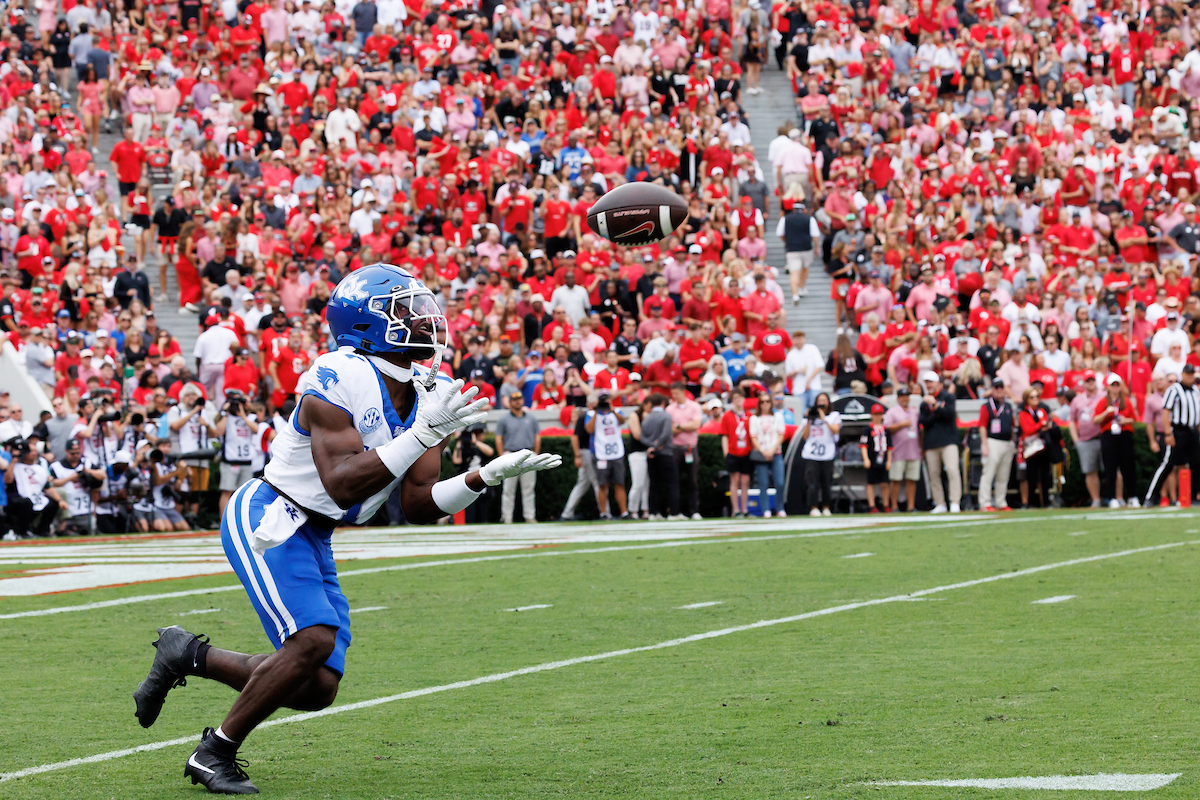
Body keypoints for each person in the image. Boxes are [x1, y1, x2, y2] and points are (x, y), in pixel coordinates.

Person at [130, 265, 558, 794]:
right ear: (366, 323)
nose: (425, 319)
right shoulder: (339, 374)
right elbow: (341, 484)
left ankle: (186, 654)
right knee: (311, 640)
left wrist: (482, 477)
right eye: (406, 310)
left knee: (317, 687)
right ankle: (213, 752)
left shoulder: (430, 388)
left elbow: (418, 503)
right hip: (271, 514)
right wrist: (422, 433)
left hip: (317, 532)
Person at [1144, 363, 1200, 507]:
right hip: (1179, 431)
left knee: (1196, 463)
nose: (1190, 377)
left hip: (1192, 431)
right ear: (1183, 374)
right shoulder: (1174, 389)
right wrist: (1168, 433)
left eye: (1192, 374)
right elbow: (1166, 411)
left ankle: (1193, 497)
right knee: (1168, 464)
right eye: (1188, 374)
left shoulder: (1195, 390)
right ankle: (1151, 496)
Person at [494, 389, 547, 524]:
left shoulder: (531, 418)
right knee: (508, 489)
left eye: (519, 399)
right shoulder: (504, 419)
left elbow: (537, 437)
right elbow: (498, 438)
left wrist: (536, 453)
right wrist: (502, 456)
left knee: (529, 488)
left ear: (523, 400)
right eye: (515, 400)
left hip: (528, 453)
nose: (518, 402)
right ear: (510, 402)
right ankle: (507, 517)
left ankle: (530, 516)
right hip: (510, 454)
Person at [919, 372, 962, 514]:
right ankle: (939, 503)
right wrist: (936, 410)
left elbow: (949, 414)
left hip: (948, 440)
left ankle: (955, 501)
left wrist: (935, 406)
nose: (929, 385)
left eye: (931, 382)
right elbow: (924, 422)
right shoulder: (924, 403)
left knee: (952, 470)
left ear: (938, 383)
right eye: (926, 382)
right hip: (931, 441)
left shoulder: (948, 397)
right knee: (933, 473)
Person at [1094, 375, 1139, 509]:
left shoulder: (1126, 401)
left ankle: (1132, 496)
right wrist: (1106, 413)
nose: (1115, 388)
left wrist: (1125, 420)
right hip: (1109, 435)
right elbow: (1095, 420)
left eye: (1117, 385)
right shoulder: (1103, 402)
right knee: (1110, 468)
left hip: (1124, 434)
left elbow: (1134, 419)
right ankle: (1112, 497)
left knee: (1128, 467)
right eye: (1112, 385)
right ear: (1108, 387)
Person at [585, 392, 630, 520]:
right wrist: (596, 411)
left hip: (616, 452)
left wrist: (612, 410)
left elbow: (622, 421)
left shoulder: (617, 411)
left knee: (619, 483)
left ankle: (624, 512)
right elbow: (589, 429)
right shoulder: (591, 414)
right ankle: (603, 513)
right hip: (601, 453)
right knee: (602, 484)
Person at [215, 391, 261, 515]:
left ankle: (242, 519)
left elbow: (256, 429)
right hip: (230, 460)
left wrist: (243, 415)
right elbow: (218, 431)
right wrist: (225, 411)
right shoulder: (226, 417)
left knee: (245, 493)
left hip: (246, 460)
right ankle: (223, 521)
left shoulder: (251, 417)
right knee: (227, 491)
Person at [5, 439, 60, 538]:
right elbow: (8, 480)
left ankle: (42, 531)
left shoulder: (39, 469)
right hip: (17, 499)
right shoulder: (14, 466)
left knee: (53, 503)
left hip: (36, 497)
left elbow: (47, 488)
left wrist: (60, 500)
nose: (34, 453)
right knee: (26, 503)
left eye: (35, 451)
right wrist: (14, 460)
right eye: (31, 451)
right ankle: (23, 531)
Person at [977, 377, 1016, 512]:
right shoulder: (987, 406)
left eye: (1001, 387)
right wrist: (985, 444)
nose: (999, 390)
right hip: (992, 441)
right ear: (992, 390)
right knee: (989, 473)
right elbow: (982, 426)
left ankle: (1001, 501)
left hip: (1007, 442)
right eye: (996, 387)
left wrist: (1012, 442)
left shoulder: (1008, 406)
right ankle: (985, 502)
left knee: (1003, 475)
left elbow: (1012, 425)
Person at [640, 394, 681, 521]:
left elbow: (642, 437)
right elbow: (666, 433)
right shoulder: (666, 416)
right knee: (672, 483)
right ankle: (673, 512)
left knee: (654, 484)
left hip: (651, 454)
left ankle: (653, 512)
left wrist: (651, 446)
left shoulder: (647, 418)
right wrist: (656, 445)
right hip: (665, 453)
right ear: (663, 403)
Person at [1067, 370, 1104, 508]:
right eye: (1088, 381)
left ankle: (1114, 498)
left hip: (1103, 437)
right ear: (1084, 383)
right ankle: (1096, 500)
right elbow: (1071, 420)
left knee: (1112, 468)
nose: (1090, 383)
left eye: (1092, 380)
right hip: (1085, 439)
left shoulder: (1104, 396)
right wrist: (1076, 439)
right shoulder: (1077, 400)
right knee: (1090, 470)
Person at [800, 392, 840, 516]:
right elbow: (804, 436)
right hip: (812, 453)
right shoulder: (811, 417)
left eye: (824, 400)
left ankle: (826, 507)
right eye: (819, 400)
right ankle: (813, 507)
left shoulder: (833, 416)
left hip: (827, 453)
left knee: (826, 482)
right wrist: (809, 419)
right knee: (812, 482)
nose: (822, 403)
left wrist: (824, 419)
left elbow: (835, 430)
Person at [667, 382, 703, 520]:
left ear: (683, 392)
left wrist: (679, 426)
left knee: (692, 480)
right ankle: (675, 511)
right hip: (675, 448)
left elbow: (696, 424)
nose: (674, 396)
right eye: (673, 393)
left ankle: (694, 510)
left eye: (676, 393)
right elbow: (670, 429)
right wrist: (686, 426)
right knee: (674, 480)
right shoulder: (670, 409)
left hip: (690, 447)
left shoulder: (694, 406)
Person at [749, 393, 787, 518]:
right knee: (763, 483)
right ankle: (765, 509)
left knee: (780, 482)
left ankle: (780, 508)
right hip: (761, 454)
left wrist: (772, 449)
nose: (765, 404)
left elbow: (781, 435)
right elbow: (753, 437)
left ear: (771, 403)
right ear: (759, 404)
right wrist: (763, 451)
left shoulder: (778, 416)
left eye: (767, 401)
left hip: (776, 452)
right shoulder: (754, 418)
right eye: (762, 402)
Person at [559, 400, 599, 521]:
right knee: (597, 482)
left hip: (588, 452)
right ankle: (605, 512)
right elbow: (575, 437)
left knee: (582, 484)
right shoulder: (584, 417)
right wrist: (578, 455)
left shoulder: (591, 416)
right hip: (586, 452)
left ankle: (567, 513)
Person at [885, 387, 921, 512]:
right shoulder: (892, 412)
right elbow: (887, 428)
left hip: (913, 451)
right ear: (898, 398)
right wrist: (901, 424)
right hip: (898, 451)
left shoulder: (914, 412)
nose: (905, 398)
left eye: (907, 396)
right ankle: (894, 506)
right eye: (902, 396)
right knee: (895, 479)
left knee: (912, 479)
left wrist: (921, 447)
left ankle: (910, 506)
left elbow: (920, 430)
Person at [1017, 386, 1054, 509]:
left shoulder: (1041, 411)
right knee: (1031, 476)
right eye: (1032, 397)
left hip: (1042, 447)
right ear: (1026, 399)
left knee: (1045, 476)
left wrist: (1043, 426)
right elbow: (1027, 430)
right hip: (1030, 448)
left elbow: (1045, 424)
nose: (1035, 399)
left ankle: (1046, 502)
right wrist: (1039, 425)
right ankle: (1031, 502)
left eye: (1037, 396)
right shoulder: (1023, 413)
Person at [721, 394, 754, 518]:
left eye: (740, 398)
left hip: (746, 451)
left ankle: (745, 509)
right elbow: (724, 435)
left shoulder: (749, 415)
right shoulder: (727, 416)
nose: (738, 401)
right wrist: (726, 452)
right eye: (735, 399)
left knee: (745, 481)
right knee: (734, 480)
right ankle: (735, 510)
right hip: (733, 451)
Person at [859, 403, 892, 513]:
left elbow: (890, 447)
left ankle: (886, 504)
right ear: (871, 415)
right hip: (872, 459)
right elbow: (863, 445)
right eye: (875, 414)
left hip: (883, 459)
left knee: (885, 483)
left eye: (879, 414)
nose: (878, 417)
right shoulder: (868, 430)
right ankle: (871, 505)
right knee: (871, 483)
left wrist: (889, 460)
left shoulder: (886, 430)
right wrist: (866, 459)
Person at [625, 398, 651, 519]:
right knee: (637, 484)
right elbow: (637, 435)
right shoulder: (635, 415)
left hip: (647, 453)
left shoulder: (650, 415)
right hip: (637, 453)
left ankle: (646, 510)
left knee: (647, 483)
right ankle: (633, 510)